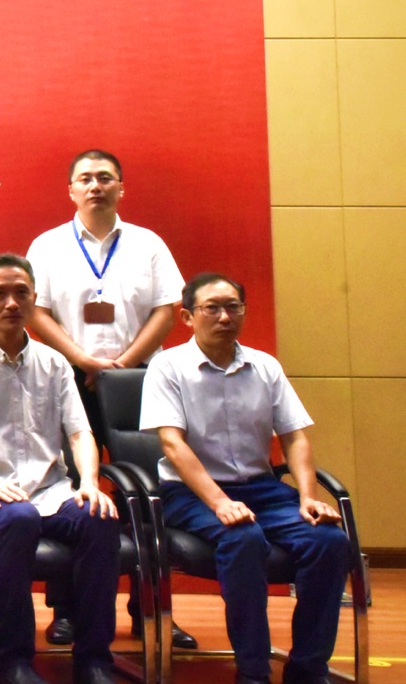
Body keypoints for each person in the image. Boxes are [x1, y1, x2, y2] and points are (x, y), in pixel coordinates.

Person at [0, 255, 121, 684]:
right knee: (20, 517)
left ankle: (94, 660)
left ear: (33, 299)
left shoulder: (55, 363)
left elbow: (80, 433)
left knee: (100, 518)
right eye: (0, 294)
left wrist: (89, 482)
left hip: (52, 491)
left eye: (21, 293)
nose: (11, 303)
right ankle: (15, 661)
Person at [140, 273, 348, 684]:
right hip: (190, 493)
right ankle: (253, 672)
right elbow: (172, 444)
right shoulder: (168, 366)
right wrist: (220, 502)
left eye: (233, 307)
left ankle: (308, 669)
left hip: (262, 490)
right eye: (212, 308)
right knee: (243, 538)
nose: (224, 317)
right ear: (187, 317)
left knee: (328, 541)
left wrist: (307, 496)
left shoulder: (265, 366)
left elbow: (294, 437)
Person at [23, 149, 189, 649]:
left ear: (121, 187)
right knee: (70, 489)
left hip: (139, 381)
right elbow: (36, 312)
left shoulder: (148, 244)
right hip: (67, 377)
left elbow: (167, 308)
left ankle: (150, 609)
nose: (95, 186)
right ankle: (66, 611)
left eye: (105, 178)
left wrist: (125, 365)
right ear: (71, 190)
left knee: (150, 491)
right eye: (85, 179)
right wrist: (84, 361)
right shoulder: (47, 245)